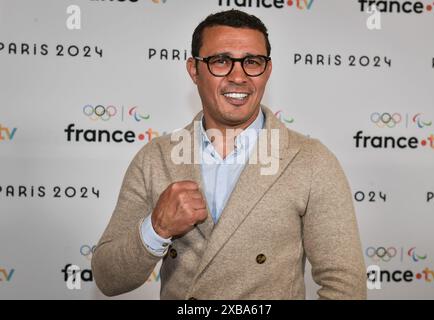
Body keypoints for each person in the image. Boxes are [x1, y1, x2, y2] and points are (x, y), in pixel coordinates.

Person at [91, 9, 367, 300]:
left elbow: (345, 285)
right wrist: (157, 228)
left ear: (267, 70)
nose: (239, 77)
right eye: (221, 61)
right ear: (194, 70)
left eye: (252, 62)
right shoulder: (155, 159)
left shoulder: (311, 161)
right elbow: (108, 278)